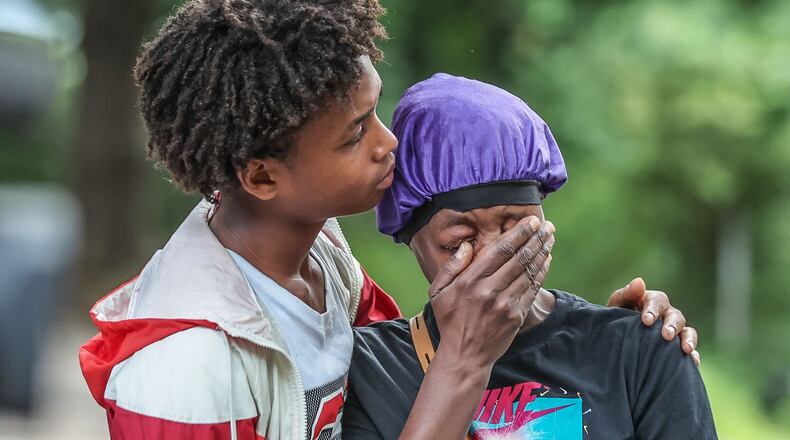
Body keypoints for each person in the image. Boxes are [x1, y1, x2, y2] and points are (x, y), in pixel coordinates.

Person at [78, 2, 698, 439]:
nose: (389, 147)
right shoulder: (183, 370)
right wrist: (463, 361)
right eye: (355, 136)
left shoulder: (321, 258)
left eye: (376, 113)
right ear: (262, 177)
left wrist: (609, 341)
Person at [343, 74, 717, 439]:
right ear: (411, 239)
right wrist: (464, 358)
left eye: (518, 229)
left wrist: (617, 343)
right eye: (460, 243)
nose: (496, 258)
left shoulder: (637, 355)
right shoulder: (373, 370)